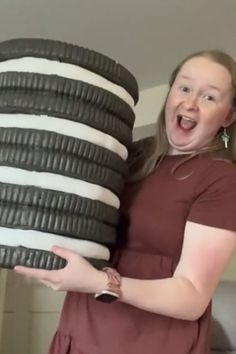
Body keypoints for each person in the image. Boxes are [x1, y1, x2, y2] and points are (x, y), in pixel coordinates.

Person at [14, 49, 236, 354]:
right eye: (184, 88)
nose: (191, 103)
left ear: (228, 115)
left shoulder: (221, 179)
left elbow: (192, 297)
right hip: (83, 323)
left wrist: (98, 283)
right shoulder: (131, 155)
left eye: (209, 97)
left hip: (149, 340)